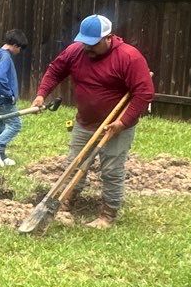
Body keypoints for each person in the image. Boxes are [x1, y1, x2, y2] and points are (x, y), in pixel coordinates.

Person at [32, 13, 154, 227]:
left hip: (115, 126)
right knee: (74, 164)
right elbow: (55, 70)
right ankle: (65, 203)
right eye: (84, 43)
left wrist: (123, 123)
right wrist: (42, 93)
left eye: (93, 44)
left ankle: (108, 214)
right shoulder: (76, 51)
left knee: (111, 170)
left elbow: (144, 93)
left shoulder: (129, 57)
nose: (87, 48)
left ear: (109, 38)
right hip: (84, 122)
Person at [0, 28, 28, 168]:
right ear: (14, 45)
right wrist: (9, 94)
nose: (19, 52)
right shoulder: (6, 57)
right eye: (19, 48)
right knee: (15, 125)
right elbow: (1, 77)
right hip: (4, 99)